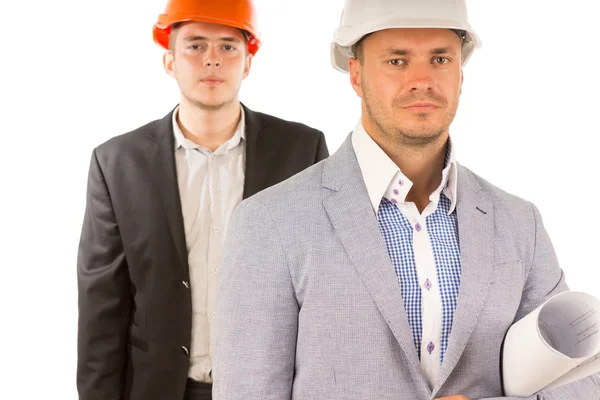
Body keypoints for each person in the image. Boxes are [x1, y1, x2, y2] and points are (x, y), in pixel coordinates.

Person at [212, 0, 600, 399]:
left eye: (439, 59)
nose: (422, 80)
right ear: (356, 75)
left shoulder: (519, 223)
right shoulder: (271, 222)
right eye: (397, 61)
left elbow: (581, 385)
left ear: (460, 74)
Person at [76, 0, 329, 399]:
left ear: (247, 63)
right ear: (170, 62)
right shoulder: (117, 163)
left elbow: (324, 294)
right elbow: (102, 308)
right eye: (195, 46)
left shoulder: (301, 151)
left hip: (268, 389)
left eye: (228, 46)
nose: (212, 60)